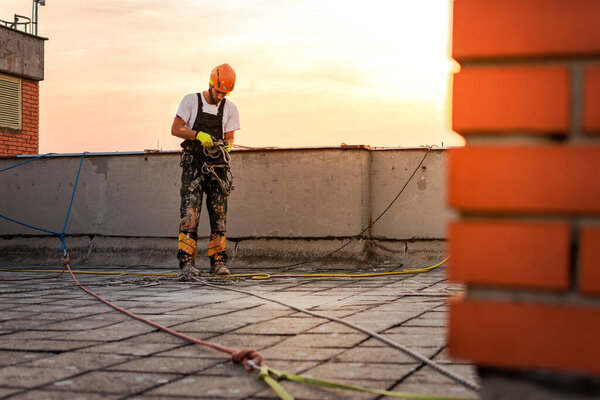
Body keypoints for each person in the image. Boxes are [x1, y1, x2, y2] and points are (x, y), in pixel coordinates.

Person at [171, 63, 240, 279]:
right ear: (210, 84)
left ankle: (218, 262)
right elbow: (176, 129)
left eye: (225, 93)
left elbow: (229, 137)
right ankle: (187, 263)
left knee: (219, 215)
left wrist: (226, 145)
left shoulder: (230, 109)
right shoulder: (191, 101)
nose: (221, 96)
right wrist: (197, 135)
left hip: (217, 167)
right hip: (194, 165)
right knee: (190, 213)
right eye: (218, 91)